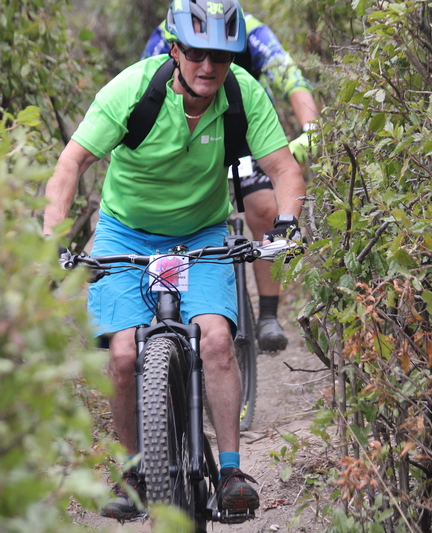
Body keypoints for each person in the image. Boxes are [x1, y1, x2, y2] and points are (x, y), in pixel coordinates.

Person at [44, 0, 305, 520]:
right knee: (123, 356)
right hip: (126, 233)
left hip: (200, 234)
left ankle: (231, 472)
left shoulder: (241, 94)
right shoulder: (132, 90)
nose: (208, 66)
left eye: (220, 56)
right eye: (195, 53)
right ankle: (135, 473)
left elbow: (284, 169)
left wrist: (286, 224)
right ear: (174, 49)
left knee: (217, 342)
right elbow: (72, 161)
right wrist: (51, 235)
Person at [142, 10, 320, 352]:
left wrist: (310, 128)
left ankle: (268, 313)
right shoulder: (169, 31)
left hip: (240, 134)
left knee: (265, 206)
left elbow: (290, 78)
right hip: (184, 139)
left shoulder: (251, 31)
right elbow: (144, 83)